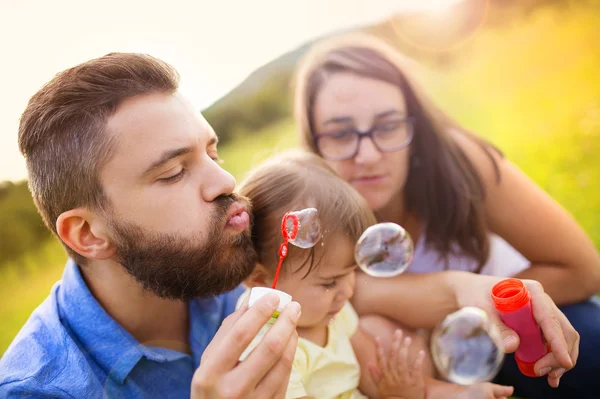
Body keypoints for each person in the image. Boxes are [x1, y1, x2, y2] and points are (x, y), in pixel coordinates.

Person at [0, 52, 578, 398]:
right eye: (174, 172)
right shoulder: (42, 388)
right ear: (88, 234)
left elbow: (373, 291)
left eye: (212, 152)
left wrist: (491, 295)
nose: (225, 186)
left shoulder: (226, 253)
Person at [293, 32, 598, 398]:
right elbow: (346, 299)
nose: (369, 155)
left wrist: (477, 308)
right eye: (341, 134)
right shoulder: (311, 215)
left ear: (414, 124)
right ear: (314, 143)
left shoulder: (462, 164)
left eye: (388, 125)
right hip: (431, 373)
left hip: (518, 326)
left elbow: (583, 270)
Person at [237, 150, 515, 399]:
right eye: (329, 282)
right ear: (260, 279)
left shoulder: (333, 312)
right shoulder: (268, 352)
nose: (347, 290)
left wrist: (459, 393)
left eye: (350, 273)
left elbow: (378, 381)